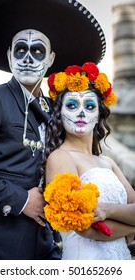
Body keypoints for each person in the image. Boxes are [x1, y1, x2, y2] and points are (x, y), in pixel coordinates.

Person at [0, 0, 106, 259]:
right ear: (9, 56)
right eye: (20, 50)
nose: (28, 59)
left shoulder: (54, 108)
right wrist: (22, 201)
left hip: (44, 236)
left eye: (38, 51)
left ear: (51, 59)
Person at [44, 62, 135, 260]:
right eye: (72, 105)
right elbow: (84, 227)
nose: (82, 112)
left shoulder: (107, 162)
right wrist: (130, 226)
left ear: (99, 114)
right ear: (59, 112)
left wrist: (106, 210)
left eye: (90, 106)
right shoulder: (60, 157)